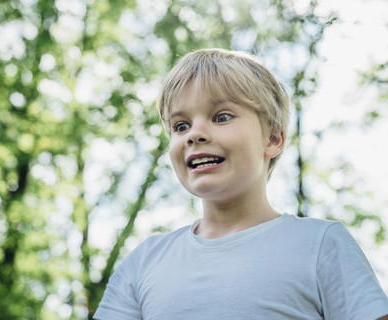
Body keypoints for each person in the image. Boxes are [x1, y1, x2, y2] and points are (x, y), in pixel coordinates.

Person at [93, 48, 388, 319]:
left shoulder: (322, 245)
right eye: (181, 126)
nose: (194, 134)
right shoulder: (145, 261)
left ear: (272, 139)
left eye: (221, 117)